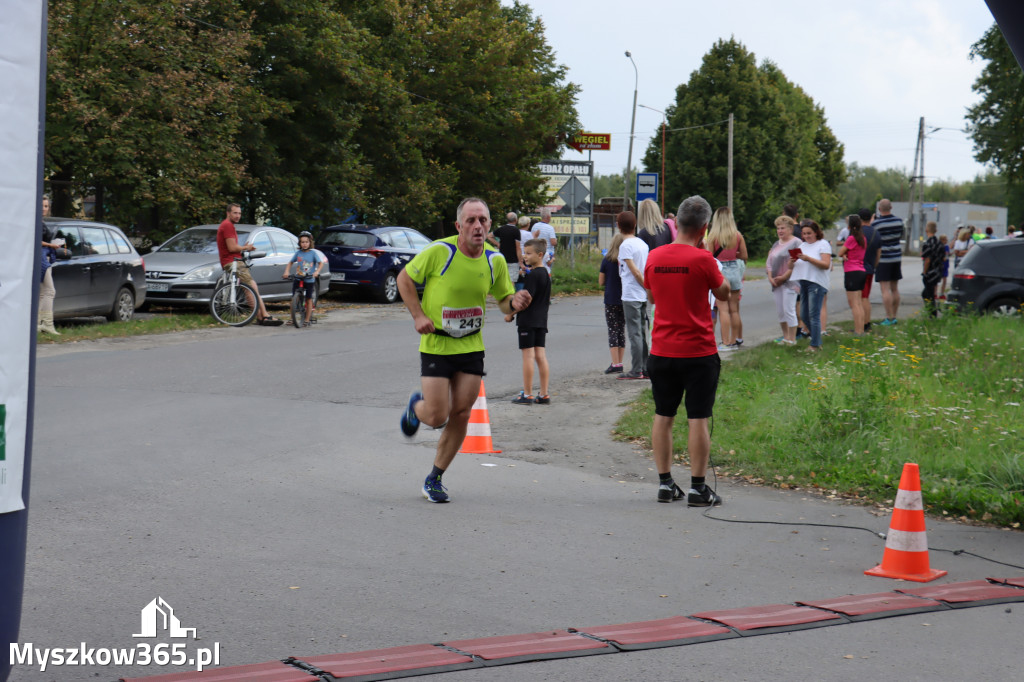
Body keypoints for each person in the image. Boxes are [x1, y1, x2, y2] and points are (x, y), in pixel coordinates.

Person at [397, 197, 532, 503]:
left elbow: (502, 300)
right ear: (459, 226)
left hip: (471, 344)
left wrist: (515, 303)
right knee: (436, 415)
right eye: (470, 221)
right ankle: (417, 409)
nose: (478, 226)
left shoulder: (494, 260)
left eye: (483, 220)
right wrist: (418, 316)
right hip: (437, 343)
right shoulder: (439, 252)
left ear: (489, 225)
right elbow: (404, 278)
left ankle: (435, 478)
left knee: (461, 413)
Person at [643, 195, 730, 506]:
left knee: (663, 415)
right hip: (698, 352)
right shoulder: (704, 259)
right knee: (698, 418)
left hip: (662, 350)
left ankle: (665, 484)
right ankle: (697, 488)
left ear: (676, 222)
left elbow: (651, 297)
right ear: (704, 228)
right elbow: (723, 292)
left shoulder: (654, 256)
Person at [216, 203, 282, 326]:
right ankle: (264, 316)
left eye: (239, 213)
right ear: (228, 213)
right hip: (233, 262)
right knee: (251, 287)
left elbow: (232, 247)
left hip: (231, 261)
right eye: (235, 213)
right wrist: (246, 247)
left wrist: (243, 248)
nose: (237, 216)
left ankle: (261, 316)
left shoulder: (227, 226)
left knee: (251, 287)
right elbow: (232, 248)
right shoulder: (227, 226)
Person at [506, 239, 552, 404]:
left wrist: (511, 313)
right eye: (525, 252)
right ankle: (544, 393)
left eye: (529, 253)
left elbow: (526, 300)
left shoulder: (534, 275)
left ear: (540, 255)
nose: (525, 256)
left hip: (528, 321)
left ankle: (527, 394)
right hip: (541, 321)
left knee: (528, 356)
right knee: (541, 356)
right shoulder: (545, 274)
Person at [705, 206, 747, 351]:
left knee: (722, 309)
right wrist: (733, 255)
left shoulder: (712, 236)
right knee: (734, 309)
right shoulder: (737, 235)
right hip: (734, 271)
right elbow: (744, 256)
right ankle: (734, 340)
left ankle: (725, 342)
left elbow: (709, 257)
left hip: (720, 273)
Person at [615, 210, 650, 380]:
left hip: (631, 293)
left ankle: (636, 370)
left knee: (634, 333)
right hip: (642, 295)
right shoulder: (642, 244)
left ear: (618, 226)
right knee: (642, 333)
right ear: (635, 225)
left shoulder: (625, 246)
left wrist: (646, 285)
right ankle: (645, 366)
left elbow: (634, 271)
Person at [791, 220, 832, 351]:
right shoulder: (802, 245)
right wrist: (792, 261)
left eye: (809, 233)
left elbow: (826, 265)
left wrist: (808, 258)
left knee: (813, 314)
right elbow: (791, 266)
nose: (807, 236)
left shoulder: (823, 244)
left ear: (816, 232)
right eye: (804, 234)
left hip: (817, 282)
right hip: (804, 281)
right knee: (803, 314)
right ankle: (815, 338)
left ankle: (814, 344)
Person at [766, 215, 801, 345]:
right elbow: (769, 262)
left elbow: (796, 263)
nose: (780, 231)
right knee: (781, 311)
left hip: (790, 282)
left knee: (789, 310)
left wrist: (784, 277)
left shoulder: (796, 243)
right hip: (776, 283)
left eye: (783, 228)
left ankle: (792, 339)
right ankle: (785, 337)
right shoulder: (776, 244)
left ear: (790, 229)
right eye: (778, 228)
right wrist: (770, 277)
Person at [281, 231, 324, 327]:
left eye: (306, 242)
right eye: (302, 242)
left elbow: (321, 263)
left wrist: (317, 272)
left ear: (310, 243)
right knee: (294, 299)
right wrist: (286, 272)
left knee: (308, 299)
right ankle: (293, 319)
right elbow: (290, 262)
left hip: (309, 279)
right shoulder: (298, 253)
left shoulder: (313, 253)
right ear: (300, 243)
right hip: (298, 278)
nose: (304, 244)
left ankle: (307, 320)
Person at [873, 198, 904, 326]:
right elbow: (900, 236)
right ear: (891, 208)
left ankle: (888, 317)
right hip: (896, 256)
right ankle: (895, 316)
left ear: (879, 209)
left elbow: (874, 240)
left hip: (883, 258)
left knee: (885, 289)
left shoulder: (876, 224)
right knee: (895, 288)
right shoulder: (899, 222)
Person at [599, 233, 626, 374]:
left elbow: (601, 281)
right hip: (625, 298)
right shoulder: (626, 260)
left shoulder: (607, 260)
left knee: (612, 330)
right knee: (621, 329)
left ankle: (615, 363)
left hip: (610, 299)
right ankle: (620, 361)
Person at [38, 196, 63, 335]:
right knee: (50, 291)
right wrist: (51, 245)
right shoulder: (37, 222)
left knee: (42, 293)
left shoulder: (40, 222)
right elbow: (36, 239)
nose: (44, 208)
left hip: (43, 258)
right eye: (41, 205)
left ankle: (37, 324)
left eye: (46, 206)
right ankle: (47, 324)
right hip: (41, 260)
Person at [838, 214, 867, 333]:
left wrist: (844, 255)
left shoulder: (851, 238)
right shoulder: (862, 238)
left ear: (849, 225)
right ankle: (861, 329)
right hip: (861, 270)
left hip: (852, 271)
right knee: (859, 302)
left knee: (854, 303)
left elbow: (840, 252)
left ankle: (858, 331)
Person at [858, 208, 880, 331]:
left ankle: (864, 324)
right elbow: (879, 253)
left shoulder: (858, 232)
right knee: (866, 296)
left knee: (862, 298)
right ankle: (866, 323)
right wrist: (874, 265)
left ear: (860, 219)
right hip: (870, 268)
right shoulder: (876, 233)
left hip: (858, 268)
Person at [490, 212, 523, 287]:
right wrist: (520, 261)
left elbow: (489, 236)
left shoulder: (502, 229)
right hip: (513, 259)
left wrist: (497, 244)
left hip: (502, 257)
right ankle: (510, 296)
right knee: (511, 280)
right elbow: (518, 248)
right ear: (516, 220)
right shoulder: (516, 231)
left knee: (503, 279)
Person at [920, 221, 943, 317]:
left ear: (926, 230)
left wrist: (924, 272)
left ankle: (932, 314)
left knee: (928, 294)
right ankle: (932, 312)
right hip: (937, 271)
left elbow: (927, 260)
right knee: (928, 293)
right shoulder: (939, 243)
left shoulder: (927, 244)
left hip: (929, 273)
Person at [516, 216, 534, 291]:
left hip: (517, 255)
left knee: (519, 275)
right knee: (526, 274)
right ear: (528, 224)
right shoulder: (529, 234)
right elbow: (532, 245)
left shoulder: (517, 232)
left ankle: (518, 290)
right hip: (526, 256)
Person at [938, 233, 950, 299]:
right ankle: (935, 293)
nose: (946, 241)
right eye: (944, 240)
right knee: (938, 280)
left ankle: (942, 293)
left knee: (944, 280)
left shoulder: (947, 247)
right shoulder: (940, 247)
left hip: (945, 265)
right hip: (941, 265)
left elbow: (947, 255)